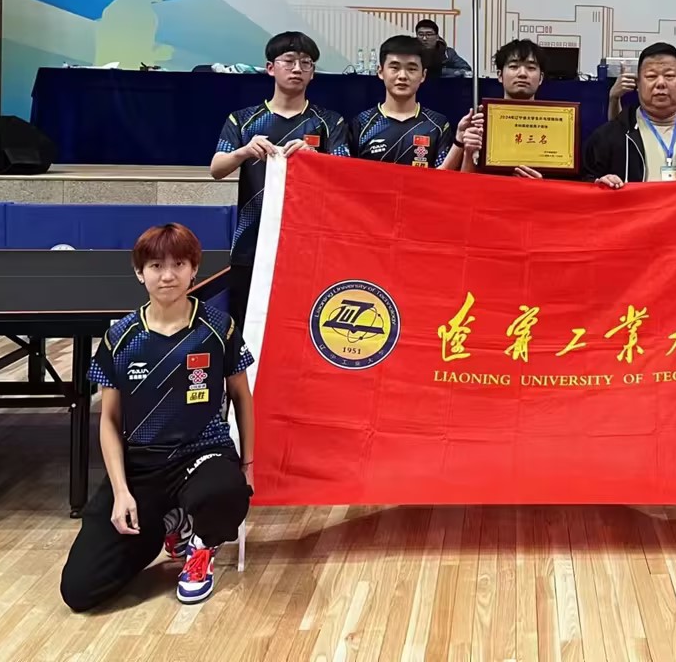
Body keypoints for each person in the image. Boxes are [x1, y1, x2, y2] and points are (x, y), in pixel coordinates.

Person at [60, 224, 254, 610]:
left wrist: (247, 465)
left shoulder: (220, 328)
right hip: (142, 464)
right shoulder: (120, 338)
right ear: (140, 273)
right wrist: (121, 492)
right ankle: (169, 524)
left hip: (202, 453)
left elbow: (242, 397)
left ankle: (201, 548)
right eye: (156, 266)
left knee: (227, 491)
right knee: (80, 590)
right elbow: (109, 420)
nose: (168, 275)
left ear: (194, 269)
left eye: (178, 264)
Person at [210, 31, 350, 329]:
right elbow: (217, 169)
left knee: (301, 327)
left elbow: (345, 175)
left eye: (306, 63)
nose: (297, 69)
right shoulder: (243, 119)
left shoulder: (329, 121)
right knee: (246, 327)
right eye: (289, 61)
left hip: (309, 243)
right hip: (251, 241)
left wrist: (315, 157)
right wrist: (244, 151)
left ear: (313, 73)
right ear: (271, 68)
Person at [584, 42, 676, 187]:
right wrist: (600, 185)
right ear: (638, 84)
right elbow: (585, 186)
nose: (660, 83)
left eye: (669, 76)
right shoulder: (609, 137)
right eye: (651, 76)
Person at [354, 35, 472, 169]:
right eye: (395, 68)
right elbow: (348, 173)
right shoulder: (362, 123)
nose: (402, 76)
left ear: (423, 75)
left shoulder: (438, 124)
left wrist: (459, 142)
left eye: (411, 69)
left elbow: (443, 177)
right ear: (380, 72)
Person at [458, 38, 546, 177]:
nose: (522, 74)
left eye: (530, 68)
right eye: (514, 66)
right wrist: (469, 153)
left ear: (540, 78)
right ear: (500, 75)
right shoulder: (481, 122)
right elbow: (465, 183)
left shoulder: (557, 124)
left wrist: (540, 185)